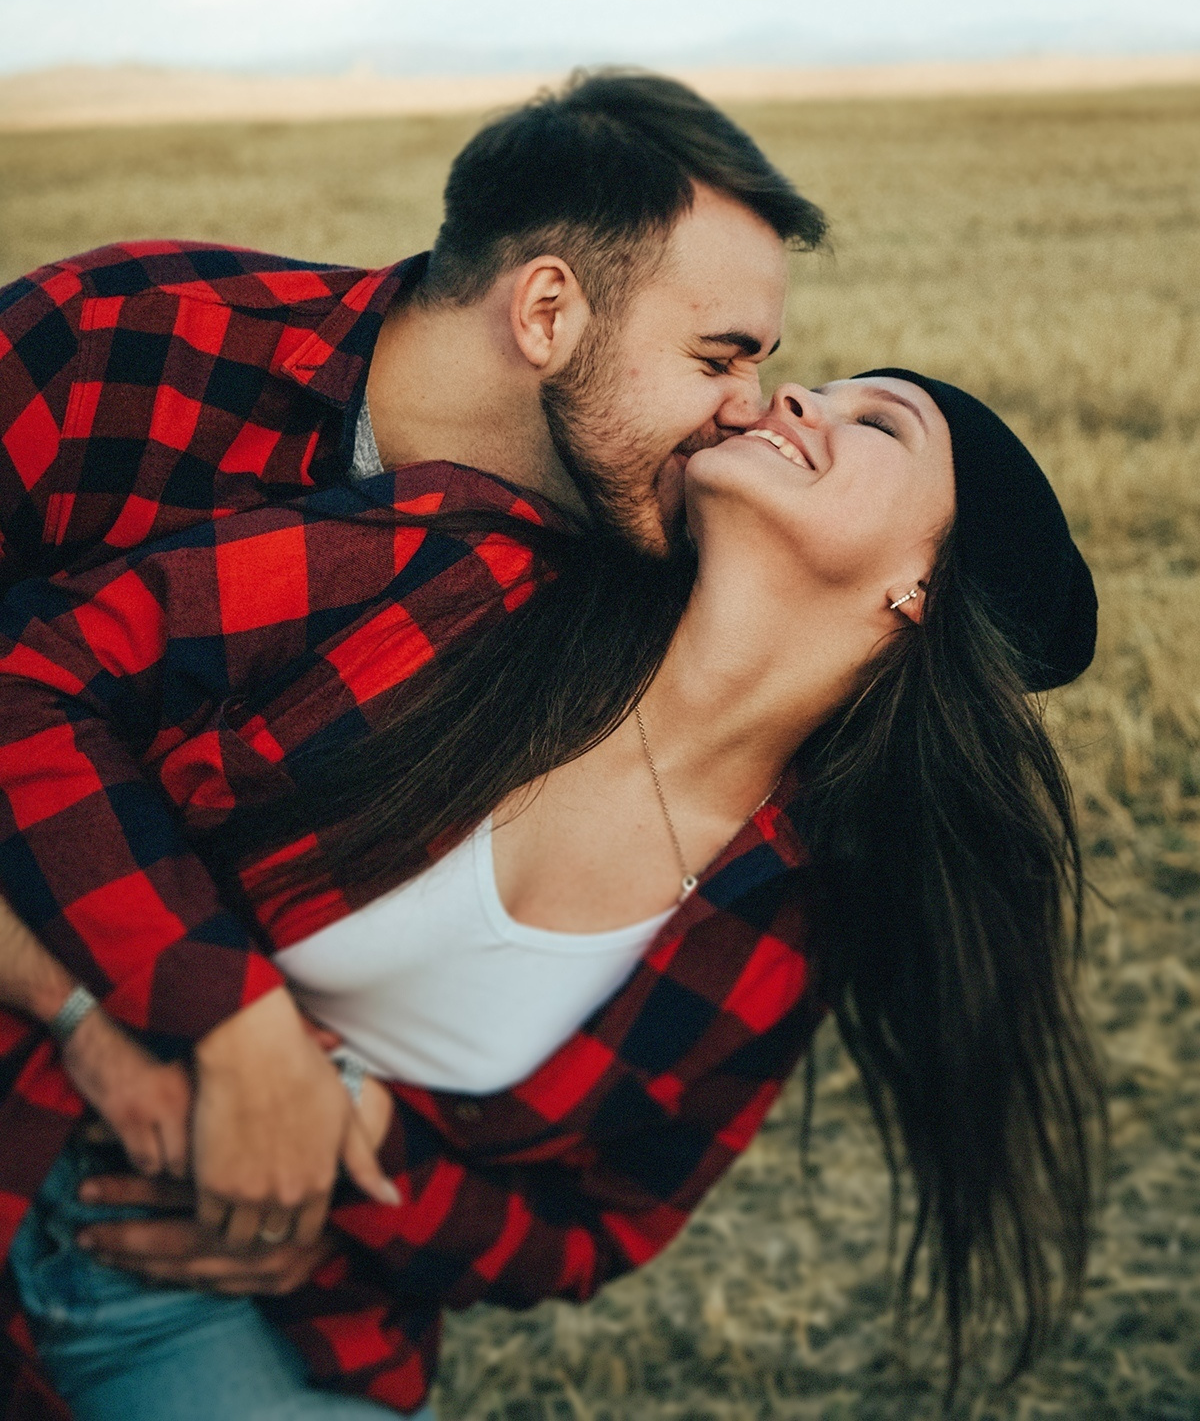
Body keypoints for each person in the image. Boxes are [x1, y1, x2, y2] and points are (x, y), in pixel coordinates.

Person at [0, 366, 1102, 1416]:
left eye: (881, 424)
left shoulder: (790, 921)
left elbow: (593, 1232)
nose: (800, 393)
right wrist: (230, 1027)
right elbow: (31, 682)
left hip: (190, 1301)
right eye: (835, 384)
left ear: (921, 591)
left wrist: (343, 1173)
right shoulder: (462, 568)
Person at [0, 69, 823, 1290]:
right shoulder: (113, 346)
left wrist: (324, 1203)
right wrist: (152, 1027)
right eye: (719, 358)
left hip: (186, 1253)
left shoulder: (617, 582)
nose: (746, 413)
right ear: (547, 312)